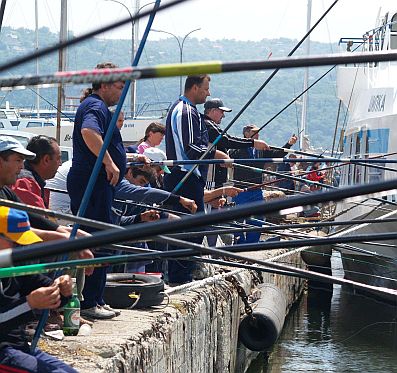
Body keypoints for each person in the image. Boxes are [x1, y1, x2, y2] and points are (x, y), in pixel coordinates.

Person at [67, 61, 126, 320]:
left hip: (100, 184)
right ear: (103, 84)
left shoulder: (98, 106)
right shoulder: (95, 105)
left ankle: (96, 298)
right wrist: (109, 162)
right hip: (91, 182)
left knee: (103, 237)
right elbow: (89, 131)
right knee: (97, 238)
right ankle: (89, 300)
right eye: (118, 85)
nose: (121, 92)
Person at [164, 75, 229, 284]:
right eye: (206, 89)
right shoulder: (186, 111)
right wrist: (216, 155)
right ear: (194, 88)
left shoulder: (184, 109)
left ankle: (181, 274)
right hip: (185, 176)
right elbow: (192, 149)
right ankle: (179, 277)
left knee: (189, 228)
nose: (208, 93)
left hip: (187, 176)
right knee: (190, 229)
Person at [0, 206, 77, 373]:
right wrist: (29, 303)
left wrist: (63, 289)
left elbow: (48, 291)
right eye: (15, 241)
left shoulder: (16, 265)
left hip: (19, 346)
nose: (20, 247)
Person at [230, 125, 298, 244]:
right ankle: (239, 243)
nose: (257, 135)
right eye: (254, 132)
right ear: (246, 133)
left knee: (257, 218)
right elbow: (231, 154)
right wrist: (248, 143)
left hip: (256, 189)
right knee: (239, 218)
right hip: (240, 189)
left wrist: (289, 144)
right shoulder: (238, 148)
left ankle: (252, 243)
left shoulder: (261, 149)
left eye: (258, 133)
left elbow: (278, 153)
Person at [203, 98, 269, 189]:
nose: (223, 116)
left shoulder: (209, 125)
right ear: (214, 111)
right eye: (222, 112)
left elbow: (225, 140)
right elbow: (226, 140)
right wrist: (253, 143)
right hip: (210, 178)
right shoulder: (207, 125)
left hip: (215, 178)